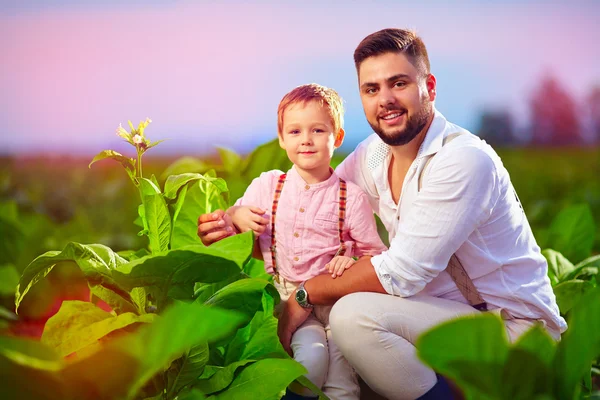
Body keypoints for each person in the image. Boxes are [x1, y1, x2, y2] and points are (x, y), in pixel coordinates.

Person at [199, 29, 567, 400]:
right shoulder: (374, 154)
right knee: (345, 321)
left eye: (399, 83)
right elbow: (310, 204)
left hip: (511, 333)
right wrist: (234, 217)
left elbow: (401, 272)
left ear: (430, 87)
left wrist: (303, 294)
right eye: (371, 89)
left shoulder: (463, 160)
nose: (385, 100)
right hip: (436, 318)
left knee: (352, 315)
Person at [200, 83, 387, 400]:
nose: (306, 140)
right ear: (282, 137)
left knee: (343, 382)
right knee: (311, 363)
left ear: (337, 137)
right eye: (296, 131)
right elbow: (229, 225)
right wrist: (236, 216)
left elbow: (377, 256)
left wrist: (352, 261)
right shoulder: (269, 185)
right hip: (290, 300)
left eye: (318, 130)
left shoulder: (350, 196)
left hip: (341, 302)